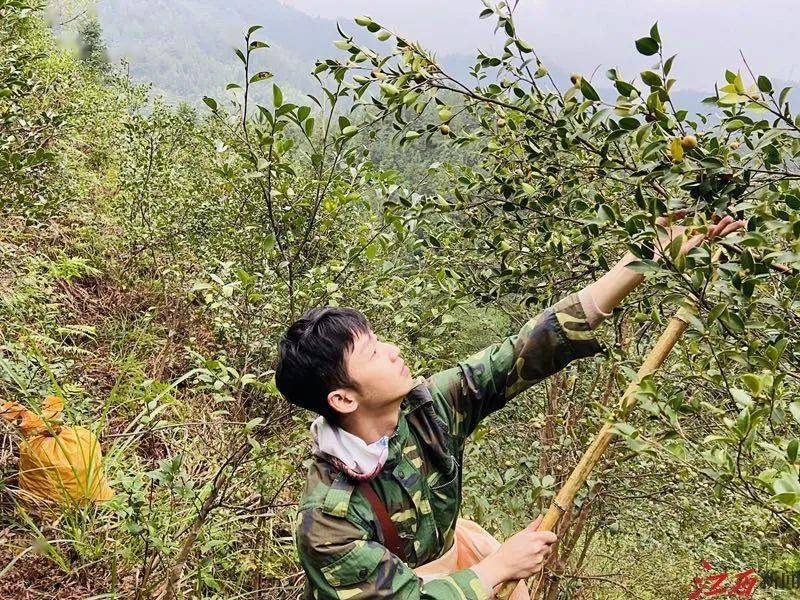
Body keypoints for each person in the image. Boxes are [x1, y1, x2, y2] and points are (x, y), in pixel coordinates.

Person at [275, 215, 745, 599]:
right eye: (374, 353)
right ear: (342, 398)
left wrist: (645, 260)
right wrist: (498, 567)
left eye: (380, 339)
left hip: (446, 566)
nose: (394, 350)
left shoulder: (425, 410)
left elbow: (527, 348)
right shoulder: (327, 519)